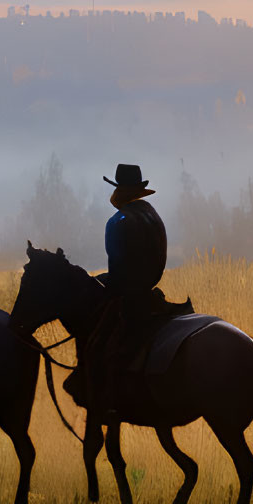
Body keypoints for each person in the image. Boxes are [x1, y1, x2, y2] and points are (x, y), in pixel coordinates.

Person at [70, 164, 169, 408]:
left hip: (127, 295)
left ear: (120, 192)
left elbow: (117, 268)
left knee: (97, 345)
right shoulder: (153, 216)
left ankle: (107, 400)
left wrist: (105, 284)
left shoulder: (118, 222)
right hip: (149, 288)